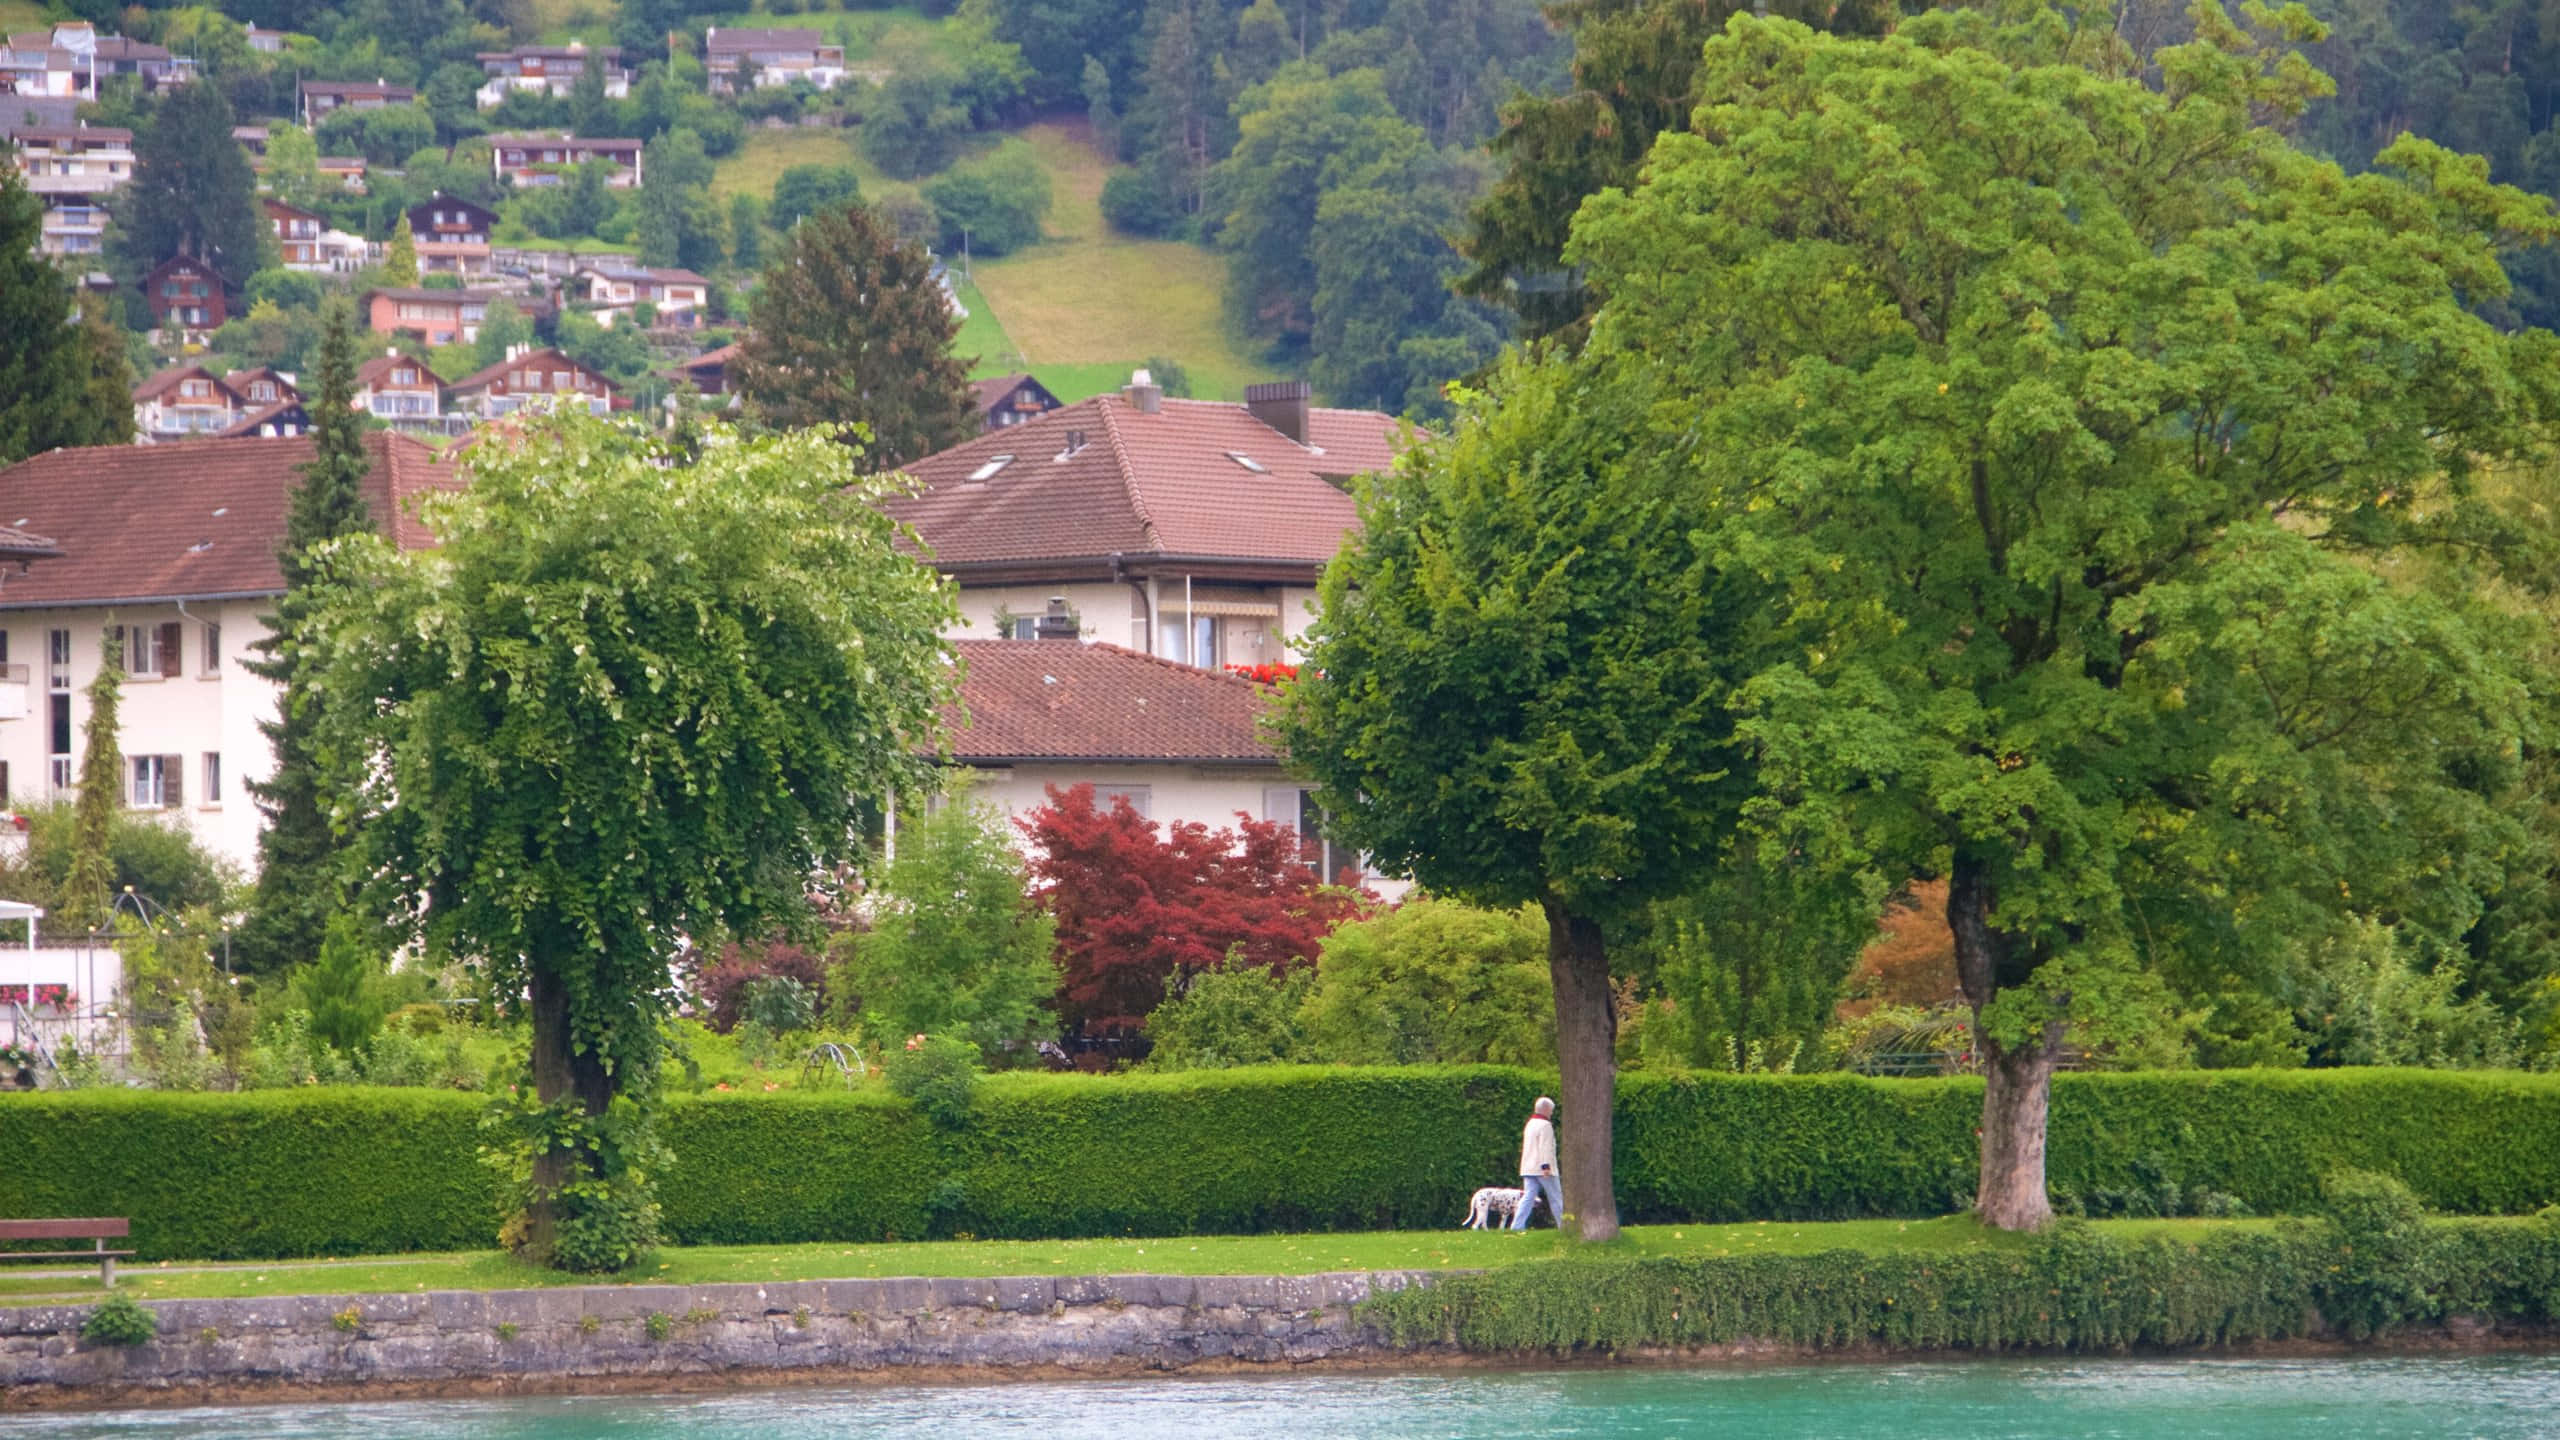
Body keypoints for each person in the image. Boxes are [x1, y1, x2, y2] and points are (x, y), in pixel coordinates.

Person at [1511, 1095, 1560, 1231]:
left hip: (1528, 1167)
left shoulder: (1530, 1124)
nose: (1551, 1113)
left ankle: (1517, 1226)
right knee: (1556, 1198)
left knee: (1528, 1197)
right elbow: (1545, 1147)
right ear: (1546, 1110)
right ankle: (1564, 1226)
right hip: (1543, 1168)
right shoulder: (1545, 1125)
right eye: (1551, 1110)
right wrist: (1546, 1166)